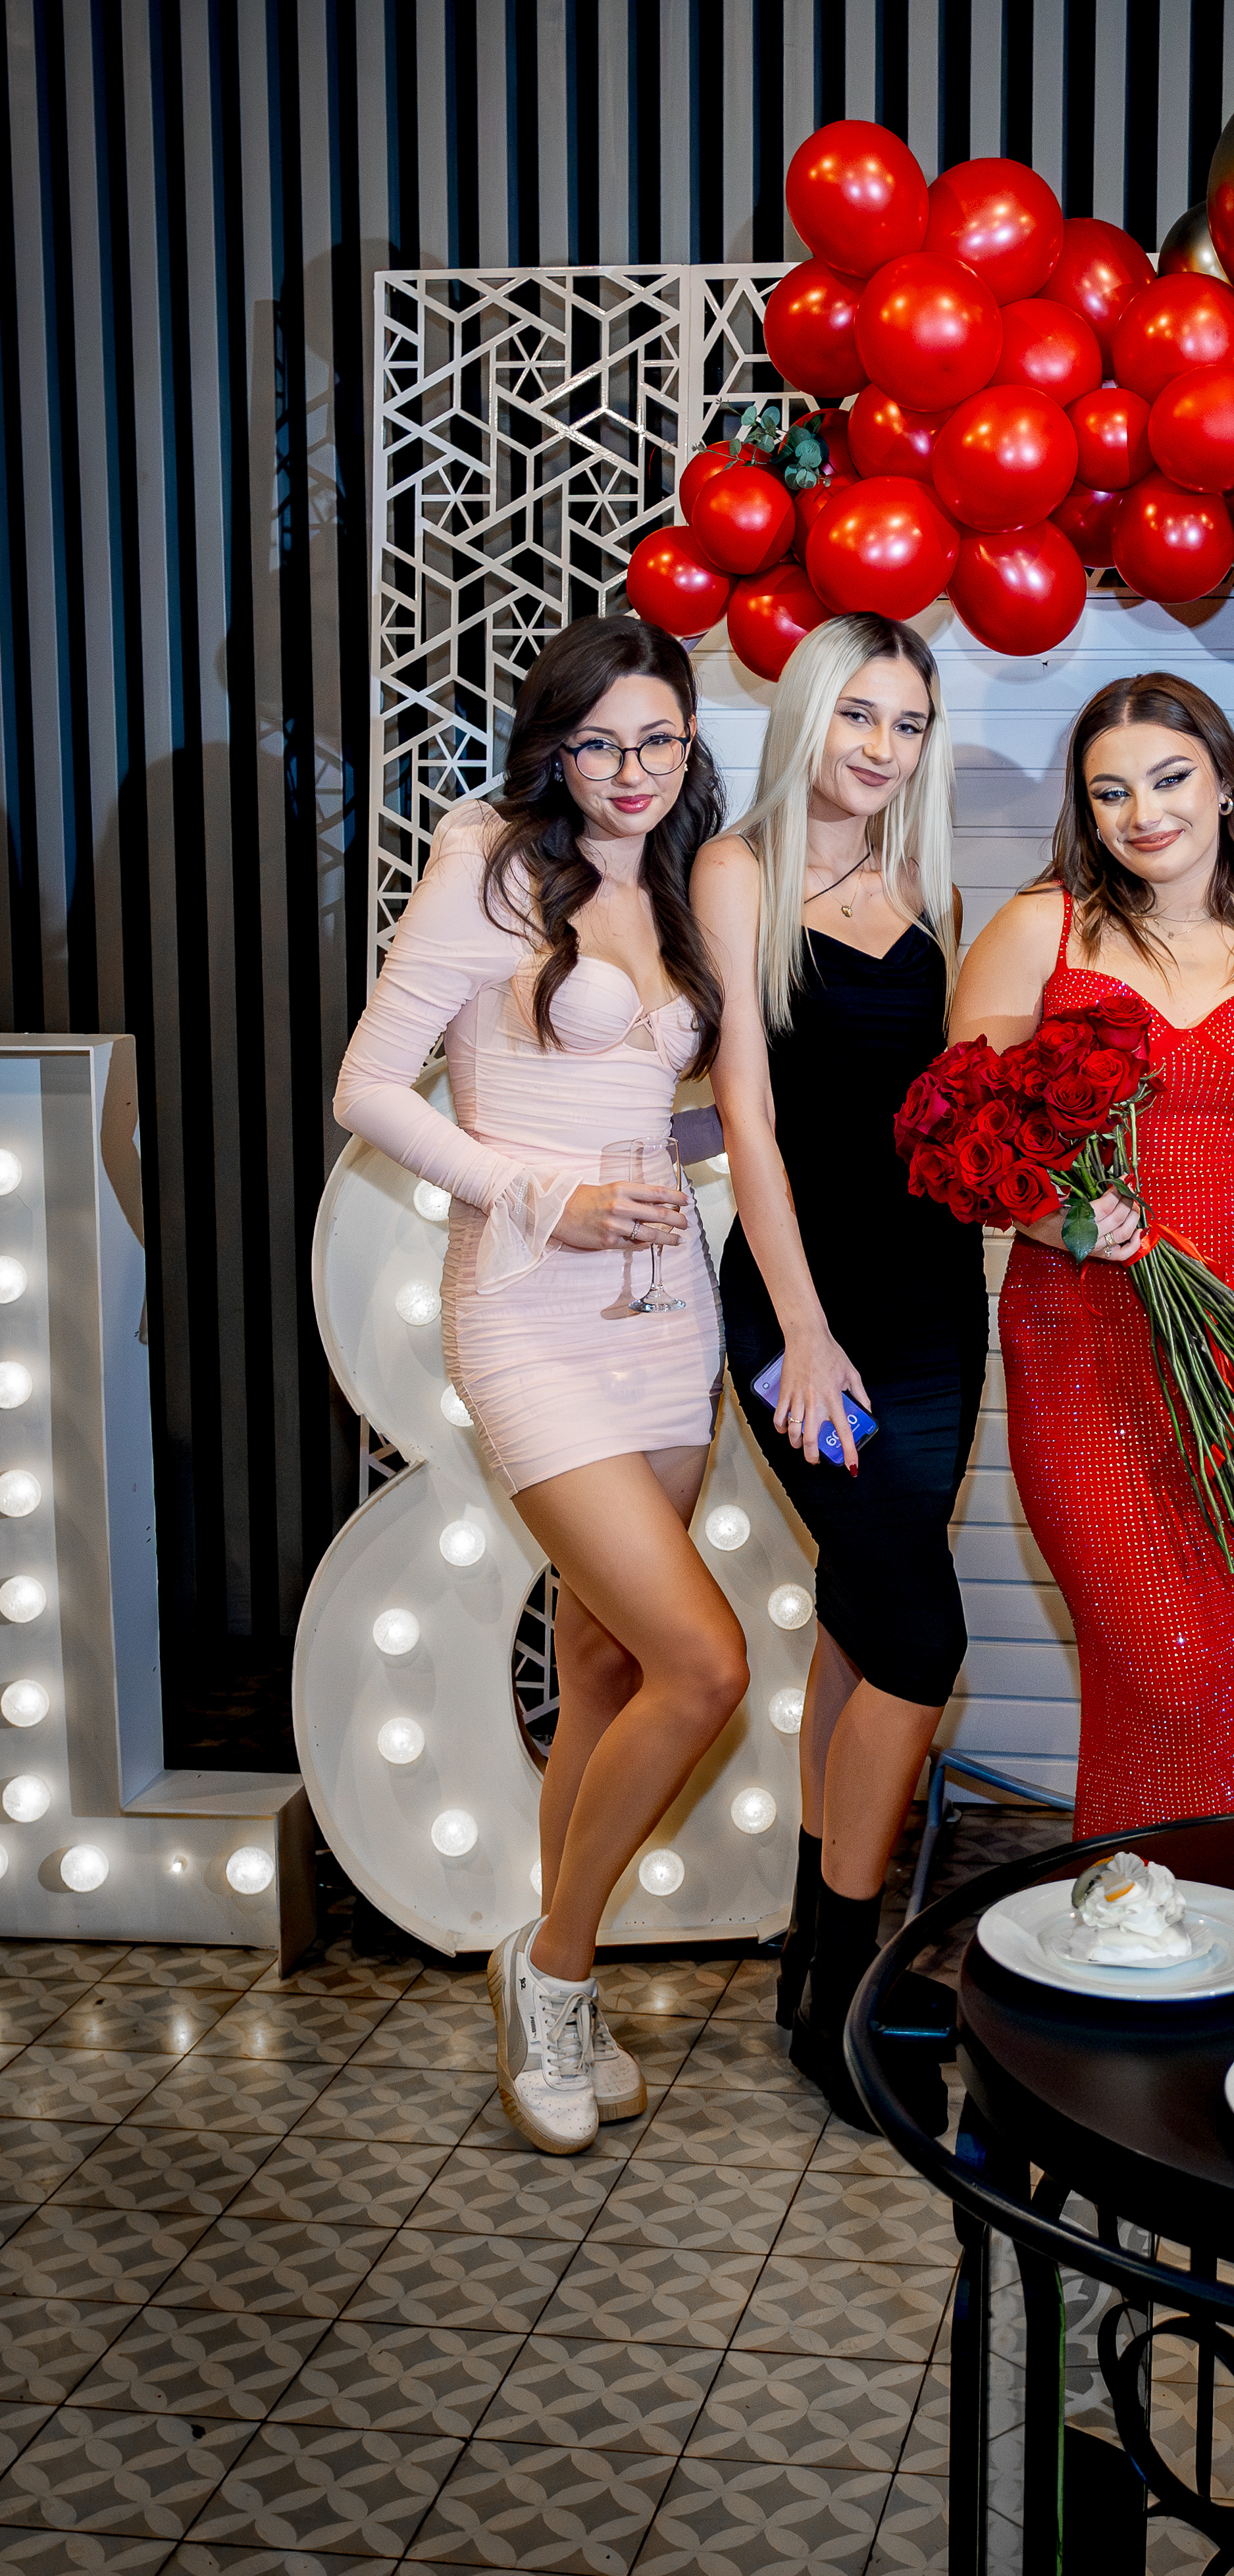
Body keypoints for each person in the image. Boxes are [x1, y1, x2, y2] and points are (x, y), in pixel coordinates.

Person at [334, 613, 747, 2155]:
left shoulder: (686, 884)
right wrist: (541, 1193)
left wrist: (717, 1146)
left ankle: (548, 1965)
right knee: (705, 1665)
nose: (632, 771)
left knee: (607, 1669)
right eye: (599, 743)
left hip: (665, 1321)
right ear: (553, 748)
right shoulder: (492, 870)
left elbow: (647, 1102)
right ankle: (556, 1970)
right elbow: (368, 1089)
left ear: (689, 741)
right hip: (527, 1312)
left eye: (660, 740)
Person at [949, 674, 1234, 1834]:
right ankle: (1139, 1903)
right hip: (1086, 1340)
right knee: (1162, 1662)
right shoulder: (1040, 929)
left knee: (1231, 1674)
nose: (1144, 813)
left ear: (1225, 784)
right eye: (1111, 791)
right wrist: (1060, 1215)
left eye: (1170, 778)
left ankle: (1210, 1917)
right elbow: (962, 1133)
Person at [692, 614, 984, 2125]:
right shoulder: (735, 871)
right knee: (923, 1637)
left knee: (870, 1622)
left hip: (935, 1301)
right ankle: (846, 1996)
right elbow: (746, 1116)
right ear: (807, 716)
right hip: (802, 1302)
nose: (880, 747)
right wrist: (802, 1328)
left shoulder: (930, 887)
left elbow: (951, 1111)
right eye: (858, 714)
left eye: (907, 722)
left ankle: (816, 1965)